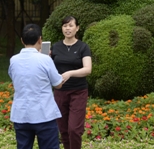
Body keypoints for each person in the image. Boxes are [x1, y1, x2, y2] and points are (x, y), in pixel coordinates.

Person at [8, 24, 64, 149]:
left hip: (21, 114)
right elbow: (58, 84)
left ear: (22, 40)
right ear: (40, 39)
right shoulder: (45, 59)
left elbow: (14, 77)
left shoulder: (13, 60)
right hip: (44, 114)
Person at [50, 16, 92, 149]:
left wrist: (70, 73)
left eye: (70, 25)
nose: (67, 29)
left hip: (78, 92)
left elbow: (87, 69)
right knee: (63, 129)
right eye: (65, 26)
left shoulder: (83, 47)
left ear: (77, 28)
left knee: (74, 129)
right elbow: (47, 67)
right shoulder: (55, 47)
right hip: (60, 91)